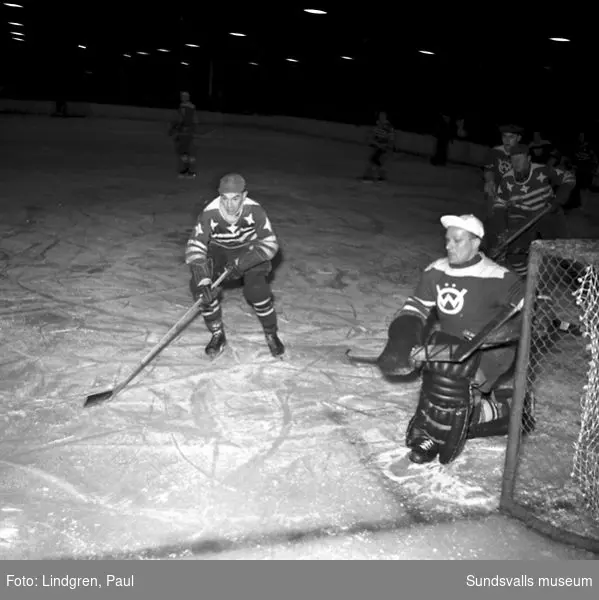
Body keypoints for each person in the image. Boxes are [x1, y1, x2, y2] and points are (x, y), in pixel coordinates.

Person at [376, 214, 528, 465]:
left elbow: (533, 313)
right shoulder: (436, 271)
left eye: (457, 241)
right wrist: (402, 338)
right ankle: (433, 432)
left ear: (476, 243)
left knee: (457, 395)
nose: (449, 246)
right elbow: (416, 307)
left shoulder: (499, 277)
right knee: (436, 391)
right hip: (451, 347)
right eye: (447, 240)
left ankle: (506, 412)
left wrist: (495, 334)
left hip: (491, 349)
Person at [184, 173, 284, 359]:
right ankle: (217, 334)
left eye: (235, 198)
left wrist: (243, 263)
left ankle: (271, 332)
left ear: (244, 196)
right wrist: (204, 278)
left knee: (257, 291)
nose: (229, 205)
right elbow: (195, 246)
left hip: (250, 252)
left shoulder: (255, 211)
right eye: (225, 198)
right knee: (202, 291)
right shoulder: (209, 213)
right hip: (219, 252)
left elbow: (270, 244)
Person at [488, 143, 575, 277]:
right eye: (513, 159)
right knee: (514, 252)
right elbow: (499, 205)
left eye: (520, 158)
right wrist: (502, 232)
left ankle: (578, 276)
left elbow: (569, 177)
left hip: (549, 213)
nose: (516, 162)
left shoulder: (542, 170)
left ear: (529, 158)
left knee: (562, 253)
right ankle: (529, 284)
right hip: (524, 217)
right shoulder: (507, 180)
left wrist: (557, 200)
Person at [564, 132, 598, 214]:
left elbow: (595, 158)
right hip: (577, 171)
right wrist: (571, 166)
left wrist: (595, 168)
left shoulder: (590, 146)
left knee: (585, 189)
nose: (581, 137)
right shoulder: (575, 146)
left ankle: (584, 206)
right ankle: (579, 205)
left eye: (582, 136)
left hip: (587, 170)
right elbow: (570, 158)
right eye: (580, 136)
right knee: (576, 188)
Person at [169, 91, 197, 178]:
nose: (182, 98)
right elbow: (195, 120)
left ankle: (187, 170)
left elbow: (181, 119)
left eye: (183, 96)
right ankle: (189, 170)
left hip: (184, 132)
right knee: (187, 151)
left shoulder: (183, 107)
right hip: (189, 132)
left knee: (183, 151)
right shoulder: (192, 106)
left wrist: (174, 128)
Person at [362, 111, 395, 182]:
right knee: (377, 162)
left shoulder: (388, 126)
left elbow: (390, 138)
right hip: (378, 146)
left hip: (384, 147)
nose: (381, 118)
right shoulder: (378, 125)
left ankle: (369, 176)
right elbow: (374, 135)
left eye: (382, 116)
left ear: (385, 117)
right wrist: (374, 142)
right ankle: (381, 177)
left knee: (374, 160)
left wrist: (388, 147)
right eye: (380, 116)